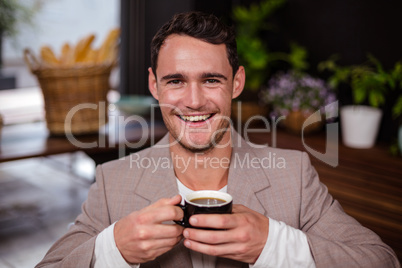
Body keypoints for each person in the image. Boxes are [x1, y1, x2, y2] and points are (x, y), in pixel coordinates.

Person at [36, 11, 400, 268]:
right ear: (153, 85)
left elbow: (381, 260)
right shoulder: (112, 182)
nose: (193, 101)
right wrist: (114, 249)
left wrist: (273, 244)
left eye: (211, 80)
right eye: (175, 81)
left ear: (236, 83)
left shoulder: (294, 175)